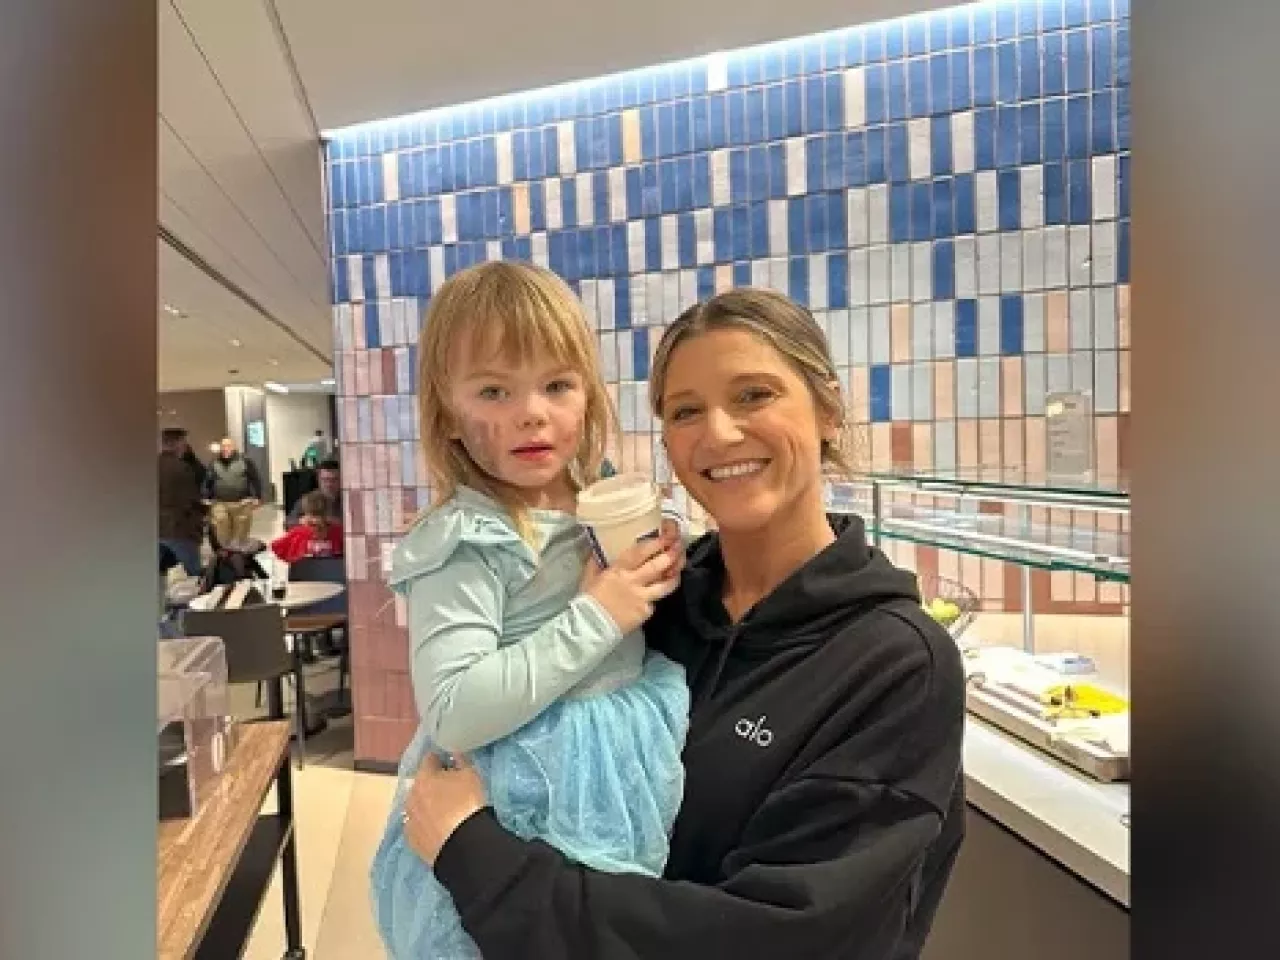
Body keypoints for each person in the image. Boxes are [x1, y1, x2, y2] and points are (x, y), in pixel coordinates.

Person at [397, 287, 967, 959]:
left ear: (829, 411)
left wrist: (475, 855)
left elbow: (780, 938)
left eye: (754, 395)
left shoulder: (894, 666)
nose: (719, 433)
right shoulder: (659, 602)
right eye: (685, 410)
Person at [368, 261, 689, 959]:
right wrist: (600, 612)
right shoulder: (468, 539)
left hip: (614, 769)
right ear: (448, 414)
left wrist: (654, 563)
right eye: (494, 390)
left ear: (588, 396)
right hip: (519, 802)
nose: (531, 412)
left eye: (556, 384)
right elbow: (451, 708)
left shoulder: (591, 500)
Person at [157, 427, 205, 575]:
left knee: (158, 572)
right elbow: (189, 501)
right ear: (177, 444)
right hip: (179, 529)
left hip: (156, 529)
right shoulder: (182, 468)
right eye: (183, 443)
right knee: (195, 572)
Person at [202, 437, 262, 546]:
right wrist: (205, 497)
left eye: (228, 446)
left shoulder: (245, 461)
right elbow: (207, 481)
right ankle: (226, 553)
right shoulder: (214, 463)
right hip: (220, 503)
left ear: (234, 447)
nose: (226, 448)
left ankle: (238, 555)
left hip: (241, 503)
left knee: (240, 534)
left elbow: (255, 479)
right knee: (222, 530)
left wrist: (257, 497)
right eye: (223, 446)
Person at [270, 491, 344, 563]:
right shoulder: (299, 533)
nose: (314, 520)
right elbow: (277, 546)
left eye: (318, 515)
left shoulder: (337, 532)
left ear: (327, 515)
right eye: (311, 515)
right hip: (305, 572)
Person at [285, 459, 342, 529]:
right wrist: (302, 521)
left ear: (341, 480)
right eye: (325, 480)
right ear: (318, 480)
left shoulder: (347, 500)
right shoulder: (309, 499)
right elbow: (288, 522)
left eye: (334, 480)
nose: (329, 484)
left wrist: (331, 521)